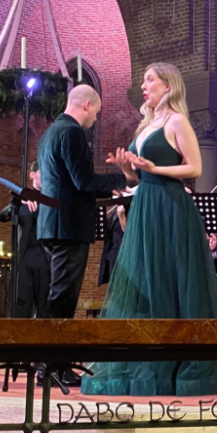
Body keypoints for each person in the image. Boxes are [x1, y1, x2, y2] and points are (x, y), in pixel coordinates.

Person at [80, 63, 217, 396]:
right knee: (145, 277)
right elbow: (136, 178)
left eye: (150, 80)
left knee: (171, 278)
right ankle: (146, 355)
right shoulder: (145, 125)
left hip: (171, 206)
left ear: (168, 87)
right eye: (144, 80)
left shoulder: (177, 121)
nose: (144, 86)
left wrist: (153, 166)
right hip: (146, 203)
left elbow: (195, 166)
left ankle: (175, 360)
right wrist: (126, 170)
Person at [37, 84, 137, 319]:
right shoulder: (72, 132)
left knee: (57, 293)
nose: (95, 119)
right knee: (63, 298)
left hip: (51, 224)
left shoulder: (50, 132)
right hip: (68, 226)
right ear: (87, 105)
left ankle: (48, 353)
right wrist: (125, 179)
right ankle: (52, 355)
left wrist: (111, 191)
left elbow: (67, 182)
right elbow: (84, 181)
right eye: (96, 112)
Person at [0, 162, 49, 317]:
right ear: (32, 174)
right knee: (21, 307)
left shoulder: (50, 199)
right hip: (24, 258)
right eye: (43, 172)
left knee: (45, 308)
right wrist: (16, 201)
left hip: (45, 259)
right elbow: (1, 216)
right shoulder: (21, 200)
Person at [98, 196, 127, 287]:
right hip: (111, 254)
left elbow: (128, 232)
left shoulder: (130, 212)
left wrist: (121, 216)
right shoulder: (113, 215)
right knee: (113, 284)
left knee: (121, 283)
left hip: (122, 254)